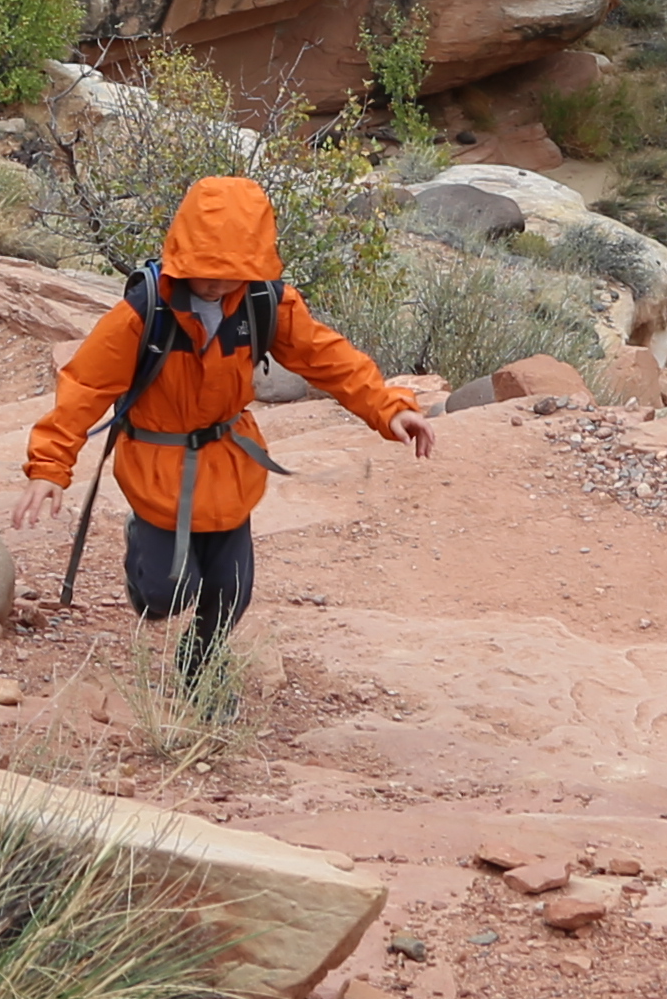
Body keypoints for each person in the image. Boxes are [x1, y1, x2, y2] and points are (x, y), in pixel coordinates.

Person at [24, 175, 435, 679]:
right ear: (182, 255)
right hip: (157, 469)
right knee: (165, 594)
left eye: (233, 271)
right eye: (205, 270)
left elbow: (327, 357)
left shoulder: (264, 303)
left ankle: (199, 672)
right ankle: (143, 557)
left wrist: (390, 407)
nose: (218, 283)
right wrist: (49, 466)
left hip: (229, 462)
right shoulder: (145, 312)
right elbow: (84, 387)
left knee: (232, 590)